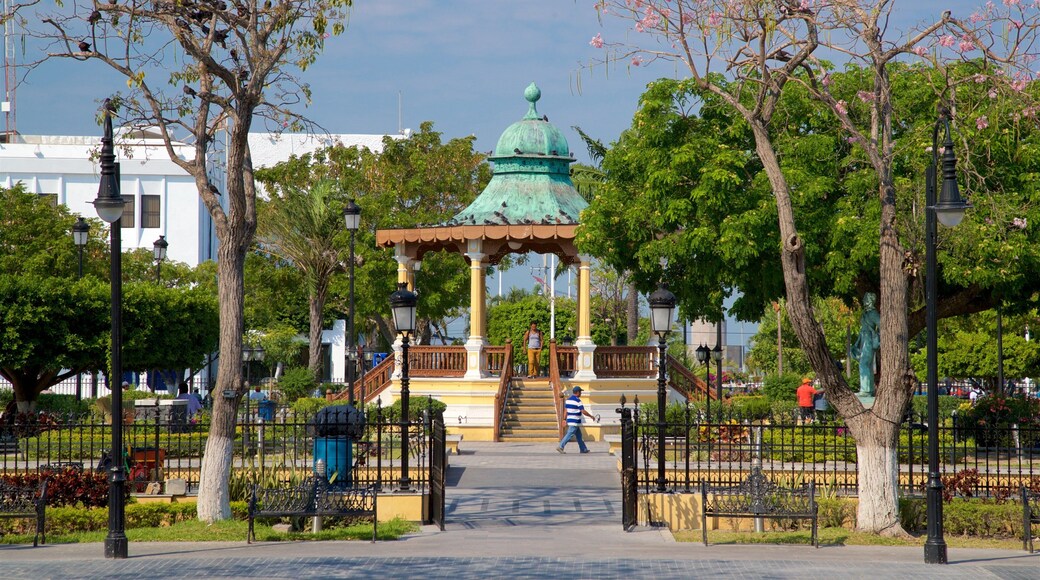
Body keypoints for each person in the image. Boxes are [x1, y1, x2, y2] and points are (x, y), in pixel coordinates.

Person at [851, 292, 881, 397]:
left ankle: (866, 391)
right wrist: (857, 343)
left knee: (864, 363)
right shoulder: (866, 313)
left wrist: (878, 338)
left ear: (869, 300)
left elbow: (881, 324)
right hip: (863, 338)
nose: (863, 301)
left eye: (865, 299)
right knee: (865, 363)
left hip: (868, 339)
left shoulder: (873, 313)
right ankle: (868, 389)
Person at [557, 386, 595, 454]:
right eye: (580, 392)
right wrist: (591, 416)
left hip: (570, 420)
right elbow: (583, 411)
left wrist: (564, 419)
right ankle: (561, 446)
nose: (581, 393)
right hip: (575, 421)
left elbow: (566, 411)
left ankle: (583, 449)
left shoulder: (568, 400)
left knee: (579, 436)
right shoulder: (578, 401)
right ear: (577, 392)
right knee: (569, 434)